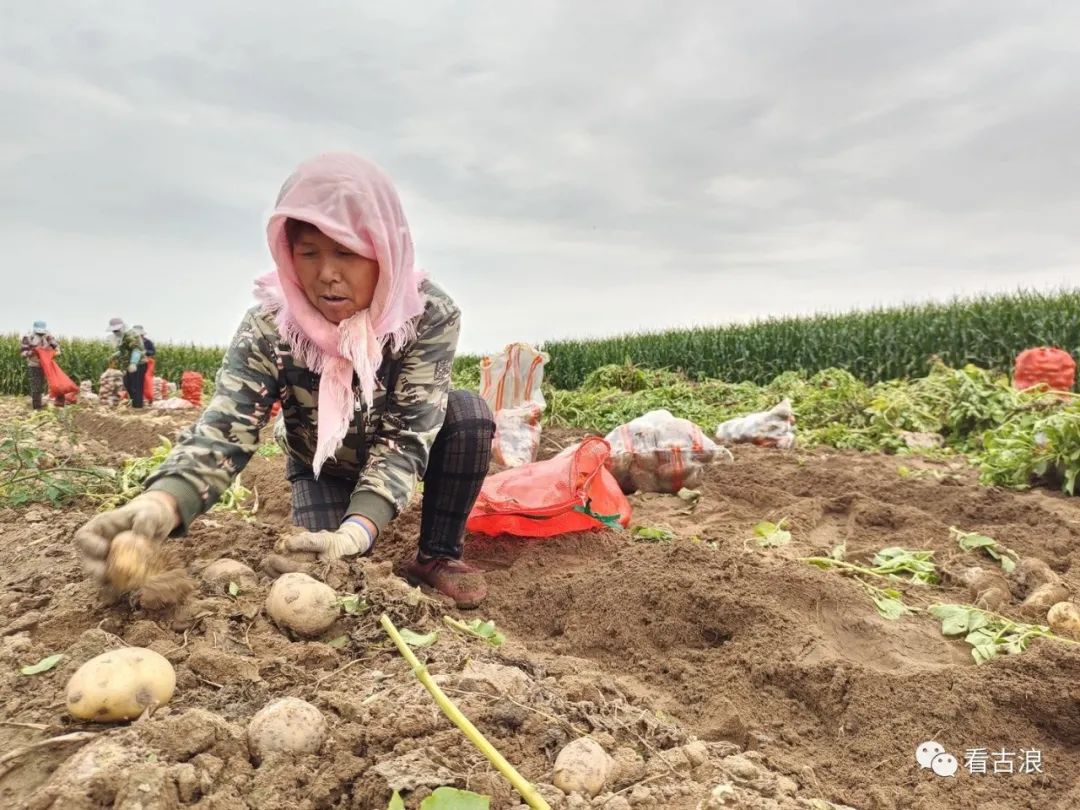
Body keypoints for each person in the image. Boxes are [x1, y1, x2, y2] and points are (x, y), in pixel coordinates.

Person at [75, 153, 495, 608]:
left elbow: (406, 435)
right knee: (326, 571)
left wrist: (358, 529)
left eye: (347, 252)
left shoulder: (427, 315)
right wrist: (161, 503)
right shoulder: (271, 325)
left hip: (395, 447)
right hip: (319, 460)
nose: (326, 274)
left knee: (469, 413)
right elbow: (225, 428)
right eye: (308, 253)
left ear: (383, 252)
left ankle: (436, 555)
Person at [20, 321, 64, 410]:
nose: (40, 334)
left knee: (56, 383)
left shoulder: (48, 336)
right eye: (38, 332)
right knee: (36, 386)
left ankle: (57, 403)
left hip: (47, 364)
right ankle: (37, 408)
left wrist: (52, 353)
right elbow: (23, 353)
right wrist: (32, 352)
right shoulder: (28, 337)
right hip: (34, 365)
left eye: (42, 332)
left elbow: (58, 349)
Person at [108, 318, 148, 409]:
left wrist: (133, 363)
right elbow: (125, 351)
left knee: (136, 387)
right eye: (114, 330)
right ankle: (134, 406)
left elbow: (136, 349)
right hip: (128, 365)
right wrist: (116, 355)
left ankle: (138, 408)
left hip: (138, 364)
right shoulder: (122, 337)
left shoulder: (131, 335)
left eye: (116, 330)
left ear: (122, 328)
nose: (115, 332)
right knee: (128, 385)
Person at [133, 325, 157, 404]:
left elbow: (153, 352)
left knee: (146, 379)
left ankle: (148, 398)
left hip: (147, 362)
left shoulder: (148, 342)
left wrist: (145, 352)